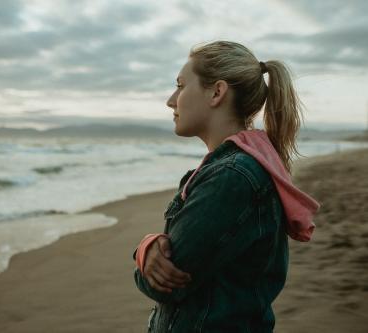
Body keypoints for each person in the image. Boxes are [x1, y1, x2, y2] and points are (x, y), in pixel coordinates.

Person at [132, 40, 320, 332]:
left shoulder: (232, 178)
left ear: (217, 92)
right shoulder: (237, 169)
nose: (171, 100)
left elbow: (164, 285)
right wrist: (148, 245)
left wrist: (142, 256)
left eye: (181, 86)